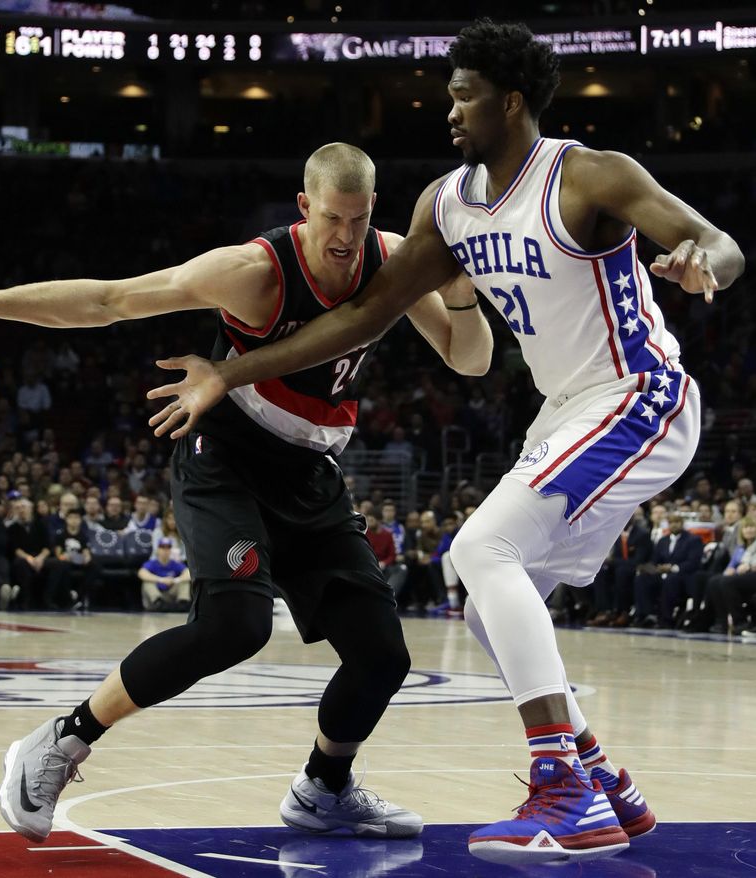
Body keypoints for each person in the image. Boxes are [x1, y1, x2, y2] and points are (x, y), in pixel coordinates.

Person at [148, 21, 744, 865]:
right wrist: (228, 373)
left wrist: (701, 262)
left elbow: (720, 241)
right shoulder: (446, 203)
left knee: (481, 546)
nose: (450, 109)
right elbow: (360, 317)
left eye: (464, 94)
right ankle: (602, 778)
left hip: (637, 392)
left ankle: (561, 788)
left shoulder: (587, 174)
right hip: (569, 409)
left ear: (510, 100)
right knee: (482, 587)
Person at [0, 141, 491, 845]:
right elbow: (112, 300)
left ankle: (324, 789)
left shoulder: (390, 261)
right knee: (234, 625)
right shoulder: (253, 272)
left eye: (359, 220)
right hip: (228, 455)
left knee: (383, 656)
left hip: (312, 473)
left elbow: (470, 357)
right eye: (334, 218)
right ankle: (59, 740)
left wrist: (457, 285)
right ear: (305, 207)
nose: (347, 237)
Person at [138, 537, 191, 611]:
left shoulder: (175, 563)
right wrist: (161, 580)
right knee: (147, 583)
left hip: (170, 595)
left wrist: (175, 580)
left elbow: (188, 573)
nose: (165, 550)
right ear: (158, 549)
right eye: (162, 547)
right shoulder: (152, 563)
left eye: (168, 547)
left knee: (184, 582)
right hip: (156, 596)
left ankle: (183, 603)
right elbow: (141, 573)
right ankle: (158, 603)